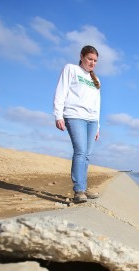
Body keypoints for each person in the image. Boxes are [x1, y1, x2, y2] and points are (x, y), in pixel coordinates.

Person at [53, 45, 102, 203]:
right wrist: (58, 114)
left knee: (87, 154)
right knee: (80, 151)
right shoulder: (71, 69)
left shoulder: (95, 80)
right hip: (74, 115)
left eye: (95, 60)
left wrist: (98, 126)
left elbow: (97, 104)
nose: (92, 63)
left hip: (92, 120)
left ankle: (83, 187)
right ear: (81, 57)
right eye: (90, 59)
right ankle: (78, 190)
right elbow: (61, 91)